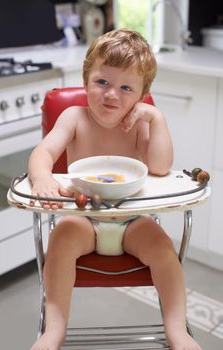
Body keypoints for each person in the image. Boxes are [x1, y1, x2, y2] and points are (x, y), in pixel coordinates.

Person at [29, 29, 201, 350]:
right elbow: (44, 153)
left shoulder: (138, 125)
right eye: (102, 83)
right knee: (61, 241)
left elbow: (160, 167)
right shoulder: (73, 118)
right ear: (85, 80)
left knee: (165, 252)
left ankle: (177, 330)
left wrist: (157, 119)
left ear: (140, 95)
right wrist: (42, 177)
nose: (112, 95)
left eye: (126, 88)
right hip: (84, 217)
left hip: (131, 219)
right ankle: (54, 330)